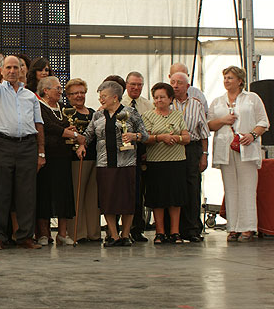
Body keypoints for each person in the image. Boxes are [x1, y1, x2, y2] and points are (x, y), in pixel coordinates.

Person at [0, 30, 45, 250]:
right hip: (2, 144)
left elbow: (39, 125)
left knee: (27, 193)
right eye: (7, 67)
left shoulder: (30, 96)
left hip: (27, 145)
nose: (11, 71)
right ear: (1, 70)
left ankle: (25, 236)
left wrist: (41, 151)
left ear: (21, 71)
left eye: (15, 67)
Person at [78, 81, 148, 247]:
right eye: (100, 96)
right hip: (104, 164)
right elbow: (88, 135)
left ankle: (125, 234)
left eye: (104, 96)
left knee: (127, 199)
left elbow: (144, 135)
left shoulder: (130, 112)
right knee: (107, 199)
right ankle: (114, 235)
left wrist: (134, 136)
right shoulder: (98, 115)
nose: (101, 100)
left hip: (126, 163)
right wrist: (81, 144)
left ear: (115, 97)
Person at [208, 66, 269, 243]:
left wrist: (252, 135)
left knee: (247, 188)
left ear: (240, 81)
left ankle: (248, 227)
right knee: (230, 188)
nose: (226, 81)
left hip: (246, 148)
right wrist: (223, 120)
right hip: (225, 149)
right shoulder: (218, 101)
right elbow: (209, 125)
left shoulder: (252, 98)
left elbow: (263, 122)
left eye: (230, 78)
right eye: (225, 77)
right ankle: (233, 227)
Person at [142, 83, 190, 244]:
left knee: (176, 198)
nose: (159, 100)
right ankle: (160, 232)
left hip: (176, 161)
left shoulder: (178, 115)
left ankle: (175, 232)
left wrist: (177, 138)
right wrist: (160, 138)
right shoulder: (148, 116)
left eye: (162, 97)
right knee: (158, 198)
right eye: (156, 97)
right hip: (156, 162)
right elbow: (145, 138)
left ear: (170, 99)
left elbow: (187, 137)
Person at [36, 76, 80, 246]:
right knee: (44, 194)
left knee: (63, 194)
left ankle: (62, 233)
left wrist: (69, 131)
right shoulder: (39, 106)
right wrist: (70, 133)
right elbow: (48, 126)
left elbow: (63, 127)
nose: (61, 91)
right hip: (47, 156)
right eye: (58, 88)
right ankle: (44, 233)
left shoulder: (63, 108)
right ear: (46, 90)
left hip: (63, 157)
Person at [170, 72, 210, 242]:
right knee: (173, 187)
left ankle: (192, 228)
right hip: (171, 148)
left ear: (187, 86)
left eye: (179, 83)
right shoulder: (166, 103)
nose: (175, 86)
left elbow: (204, 133)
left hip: (192, 148)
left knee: (192, 187)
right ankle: (173, 230)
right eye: (172, 82)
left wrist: (204, 155)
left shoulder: (196, 104)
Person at [65, 78, 101, 243]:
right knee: (77, 196)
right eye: (74, 93)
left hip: (95, 158)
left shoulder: (93, 113)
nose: (79, 96)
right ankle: (77, 233)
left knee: (93, 197)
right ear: (68, 96)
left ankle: (94, 232)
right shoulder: (66, 113)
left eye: (81, 92)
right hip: (75, 159)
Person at [121, 71, 152, 243]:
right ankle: (117, 230)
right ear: (126, 85)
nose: (136, 87)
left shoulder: (147, 105)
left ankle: (137, 228)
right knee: (121, 192)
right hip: (120, 152)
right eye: (133, 84)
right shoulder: (119, 102)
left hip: (140, 151)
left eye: (139, 85)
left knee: (138, 192)